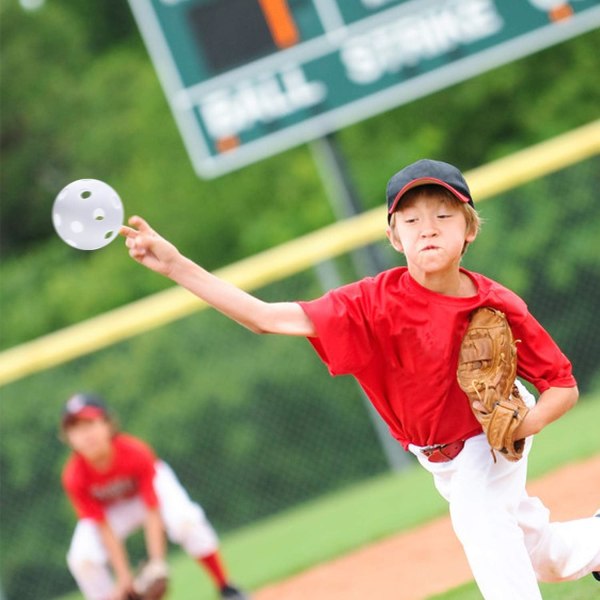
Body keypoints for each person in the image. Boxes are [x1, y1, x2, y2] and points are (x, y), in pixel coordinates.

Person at [120, 158, 600, 599]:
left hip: (489, 434)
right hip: (438, 455)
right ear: (394, 237)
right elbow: (265, 317)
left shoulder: (495, 304)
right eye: (410, 220)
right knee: (541, 555)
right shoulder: (370, 304)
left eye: (443, 215)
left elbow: (562, 386)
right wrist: (176, 266)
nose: (427, 229)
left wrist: (522, 426)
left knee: (485, 534)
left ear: (469, 228)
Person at [60, 392, 249, 600]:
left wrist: (156, 562)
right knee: (82, 558)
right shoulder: (74, 476)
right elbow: (102, 526)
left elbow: (152, 507)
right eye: (75, 429)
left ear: (108, 424)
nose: (85, 434)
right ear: (68, 438)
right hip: (112, 511)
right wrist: (124, 577)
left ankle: (226, 587)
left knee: (184, 520)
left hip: (150, 495)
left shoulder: (135, 452)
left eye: (90, 424)